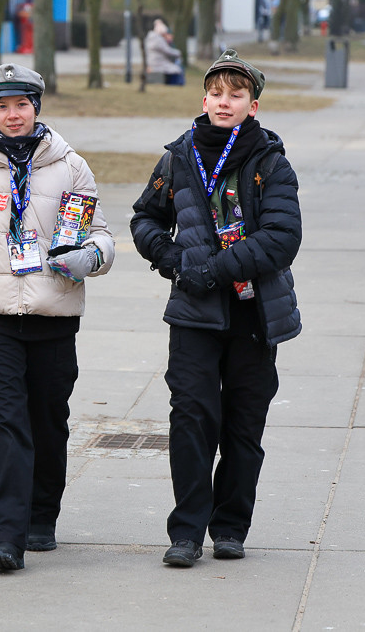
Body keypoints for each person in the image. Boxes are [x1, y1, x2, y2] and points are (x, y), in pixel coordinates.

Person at [129, 49, 302, 567]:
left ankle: (230, 527)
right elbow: (145, 220)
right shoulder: (178, 157)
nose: (225, 102)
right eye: (217, 93)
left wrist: (215, 269)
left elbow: (281, 238)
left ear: (254, 105)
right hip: (194, 318)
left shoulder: (270, 162)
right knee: (191, 422)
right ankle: (186, 533)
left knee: (243, 428)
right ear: (204, 99)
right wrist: (173, 260)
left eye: (237, 94)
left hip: (254, 318)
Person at [0, 63, 115, 571]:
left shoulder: (70, 164)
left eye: (21, 105)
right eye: (1, 106)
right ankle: (7, 536)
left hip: (53, 315)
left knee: (48, 421)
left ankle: (43, 515)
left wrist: (91, 256)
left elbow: (99, 233)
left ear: (37, 107)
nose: (12, 115)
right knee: (6, 422)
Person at [145, 18, 185, 85]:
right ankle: (177, 83)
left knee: (175, 67)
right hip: (159, 64)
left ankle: (176, 83)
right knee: (177, 68)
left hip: (154, 62)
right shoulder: (158, 40)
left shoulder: (151, 38)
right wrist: (178, 52)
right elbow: (167, 51)